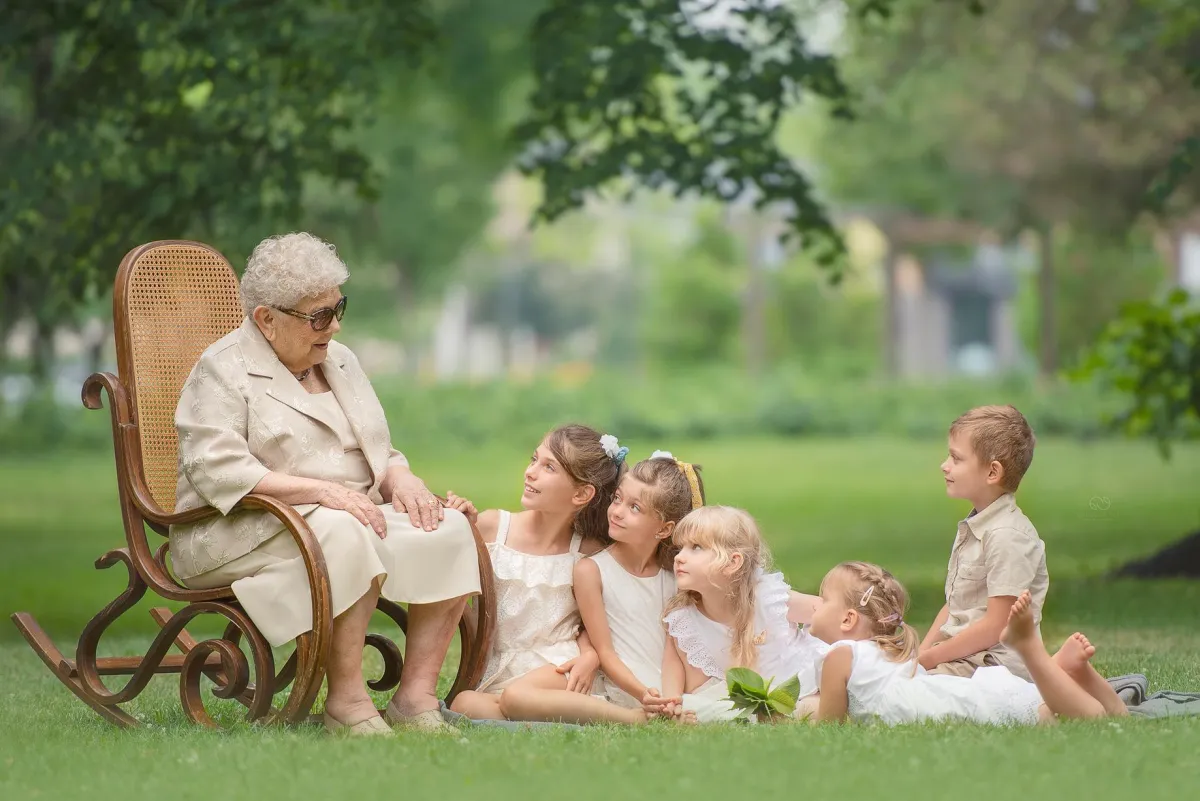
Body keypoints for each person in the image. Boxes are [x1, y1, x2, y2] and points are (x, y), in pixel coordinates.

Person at [171, 232, 480, 736]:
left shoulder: (339, 359)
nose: (332, 326)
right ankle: (348, 703)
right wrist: (318, 493)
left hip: (347, 512)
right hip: (240, 526)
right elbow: (216, 469)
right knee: (343, 528)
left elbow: (377, 450)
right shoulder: (223, 369)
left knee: (447, 528)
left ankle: (416, 699)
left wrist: (403, 478)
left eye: (338, 309)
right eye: (317, 316)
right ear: (266, 319)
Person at [498, 451, 704, 724]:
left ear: (664, 529)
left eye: (635, 508)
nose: (617, 511)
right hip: (612, 680)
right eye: (617, 499)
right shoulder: (592, 570)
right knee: (497, 699)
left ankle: (641, 714)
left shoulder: (675, 576)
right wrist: (643, 694)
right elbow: (605, 651)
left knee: (511, 701)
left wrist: (669, 695)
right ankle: (633, 717)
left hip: (662, 685)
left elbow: (676, 648)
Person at [804, 561, 1129, 725]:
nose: (815, 605)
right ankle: (1067, 670)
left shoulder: (840, 656)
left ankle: (1039, 656)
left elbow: (830, 724)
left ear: (847, 619)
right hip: (952, 693)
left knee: (1076, 719)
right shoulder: (882, 650)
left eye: (822, 599)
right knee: (1105, 718)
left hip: (954, 706)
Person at [446, 425, 625, 720]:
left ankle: (548, 710)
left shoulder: (587, 551)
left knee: (503, 702)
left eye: (549, 467)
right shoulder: (493, 528)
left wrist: (590, 656)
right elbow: (446, 575)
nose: (530, 472)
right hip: (500, 667)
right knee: (464, 704)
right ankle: (545, 716)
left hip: (560, 666)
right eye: (534, 460)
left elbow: (593, 622)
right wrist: (458, 524)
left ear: (581, 493)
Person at [655, 506, 829, 723]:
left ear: (732, 562)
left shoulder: (768, 597)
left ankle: (782, 713)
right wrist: (673, 708)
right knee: (695, 707)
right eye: (680, 548)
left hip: (797, 681)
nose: (680, 557)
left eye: (696, 547)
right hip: (743, 697)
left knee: (815, 703)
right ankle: (767, 716)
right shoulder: (684, 621)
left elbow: (829, 613)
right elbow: (675, 680)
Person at [921, 405, 1048, 681]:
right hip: (963, 657)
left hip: (992, 668)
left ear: (992, 472)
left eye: (956, 458)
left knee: (898, 697)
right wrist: (920, 654)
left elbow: (996, 626)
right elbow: (954, 607)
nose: (945, 465)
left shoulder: (1007, 536)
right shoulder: (977, 525)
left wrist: (928, 660)